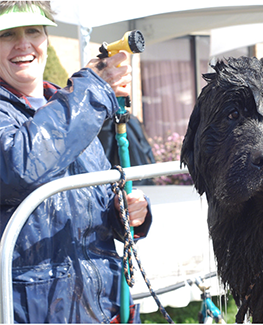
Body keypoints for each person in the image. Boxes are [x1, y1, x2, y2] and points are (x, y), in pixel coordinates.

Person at [0, 1, 152, 323]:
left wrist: (121, 213)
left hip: (103, 308)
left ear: (46, 39)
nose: (23, 43)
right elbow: (21, 166)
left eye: (33, 31)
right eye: (7, 34)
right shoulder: (80, 105)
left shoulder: (71, 108)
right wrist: (93, 89)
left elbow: (87, 203)